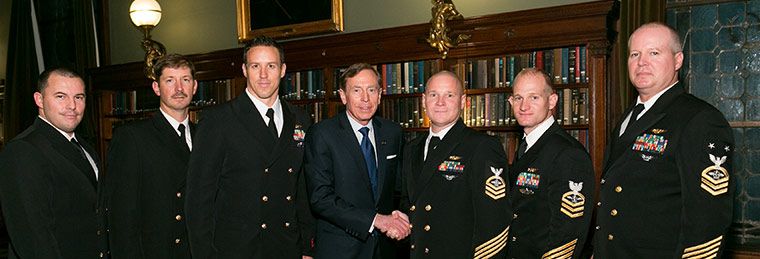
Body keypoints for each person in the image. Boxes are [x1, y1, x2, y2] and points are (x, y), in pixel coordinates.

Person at [593, 22, 733, 258]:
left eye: (654, 53)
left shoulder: (700, 119)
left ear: (678, 61)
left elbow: (708, 218)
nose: (641, 62)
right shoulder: (630, 115)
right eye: (635, 54)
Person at [185, 36, 315, 259]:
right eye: (255, 66)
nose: (263, 75)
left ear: (283, 70)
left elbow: (301, 190)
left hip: (287, 246)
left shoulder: (300, 118)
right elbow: (198, 200)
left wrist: (307, 248)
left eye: (271, 66)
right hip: (238, 249)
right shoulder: (219, 120)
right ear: (245, 70)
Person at [401, 71, 512, 258]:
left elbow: (495, 220)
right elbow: (410, 204)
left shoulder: (481, 146)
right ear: (423, 100)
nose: (440, 102)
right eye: (433, 94)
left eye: (449, 95)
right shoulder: (412, 148)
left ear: (462, 102)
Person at [0, 67, 108, 258]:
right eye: (61, 96)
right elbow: (32, 235)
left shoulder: (86, 148)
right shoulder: (24, 150)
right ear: (39, 100)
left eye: (79, 97)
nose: (72, 106)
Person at [304, 63, 408, 259]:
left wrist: (400, 216)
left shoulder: (392, 132)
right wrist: (375, 220)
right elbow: (320, 197)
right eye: (356, 90)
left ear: (380, 94)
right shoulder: (322, 134)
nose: (365, 99)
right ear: (343, 96)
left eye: (371, 90)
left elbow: (399, 187)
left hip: (385, 249)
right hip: (341, 249)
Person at [105, 53, 198, 258]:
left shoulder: (206, 136)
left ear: (195, 86)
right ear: (156, 88)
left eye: (185, 80)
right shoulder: (132, 137)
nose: (179, 89)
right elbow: (121, 216)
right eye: (170, 81)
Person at [505, 68, 594, 258]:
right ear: (511, 102)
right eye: (518, 98)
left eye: (534, 98)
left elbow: (567, 233)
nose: (524, 106)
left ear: (552, 101)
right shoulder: (526, 146)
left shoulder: (567, 153)